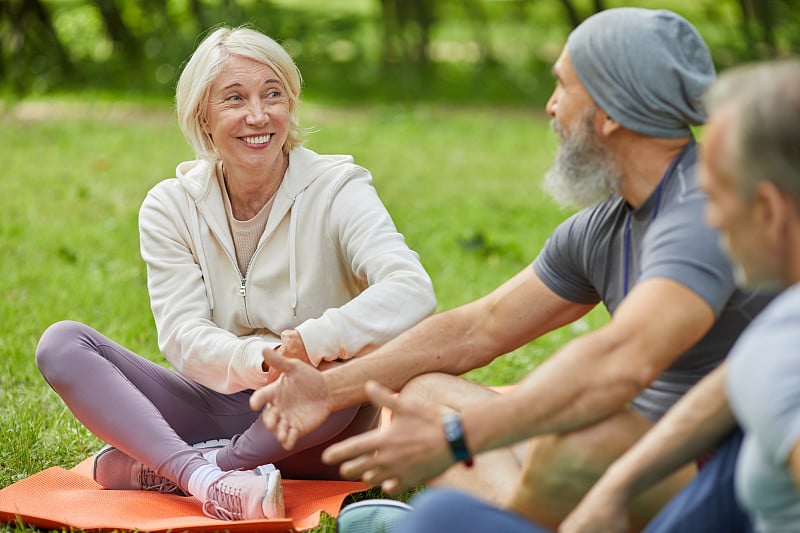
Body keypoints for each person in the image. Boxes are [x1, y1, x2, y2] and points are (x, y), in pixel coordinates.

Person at [249, 8, 775, 530]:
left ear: (610, 112)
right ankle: (516, 517)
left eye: (563, 88)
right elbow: (480, 327)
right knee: (425, 397)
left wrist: (462, 438)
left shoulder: (702, 210)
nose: (550, 108)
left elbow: (620, 361)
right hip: (642, 448)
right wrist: (331, 388)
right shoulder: (605, 226)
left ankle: (496, 520)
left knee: (573, 447)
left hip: (727, 462)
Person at [34, 25, 436, 522]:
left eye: (273, 95)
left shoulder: (339, 189)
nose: (258, 115)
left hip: (323, 427)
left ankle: (199, 466)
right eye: (234, 98)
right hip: (215, 406)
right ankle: (207, 479)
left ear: (291, 105)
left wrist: (306, 344)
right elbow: (183, 336)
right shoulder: (171, 205)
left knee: (328, 371)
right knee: (61, 343)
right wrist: (264, 358)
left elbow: (411, 289)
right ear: (202, 114)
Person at [555, 58, 800, 533]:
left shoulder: (782, 363)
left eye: (718, 196)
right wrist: (617, 487)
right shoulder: (778, 332)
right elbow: (732, 382)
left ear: (768, 208)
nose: (710, 220)